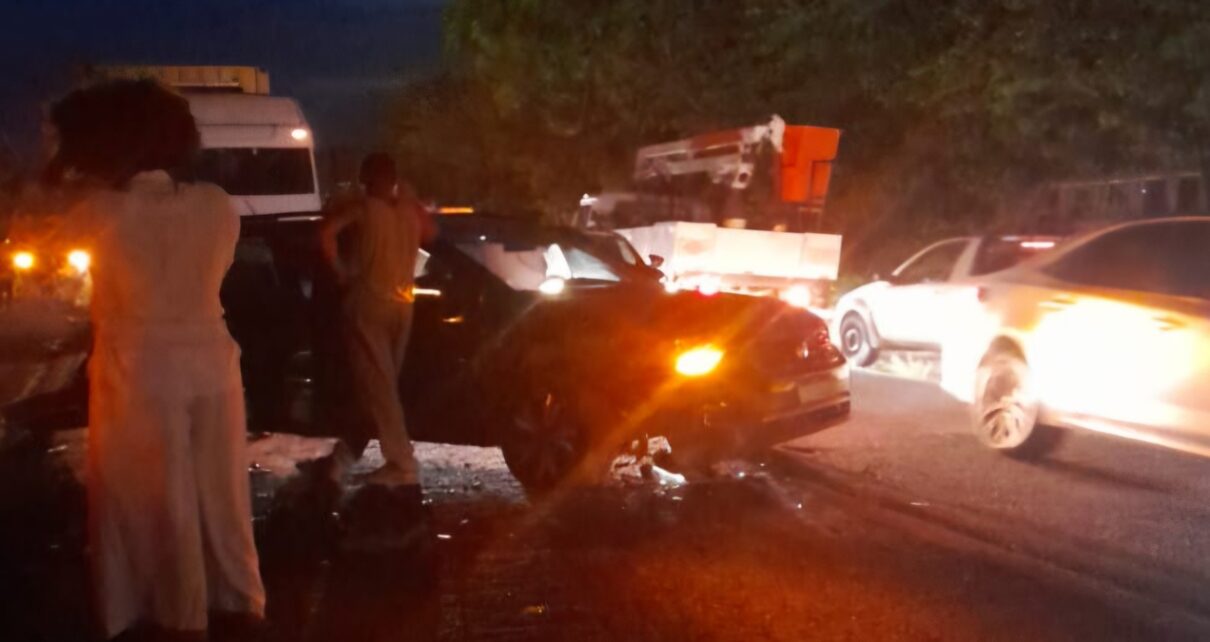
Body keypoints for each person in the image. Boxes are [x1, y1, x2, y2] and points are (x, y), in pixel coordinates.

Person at [49, 80, 264, 640]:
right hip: (212, 361)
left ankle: (170, 614)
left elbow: (64, 274)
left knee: (147, 501)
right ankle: (235, 600)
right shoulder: (216, 205)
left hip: (137, 368)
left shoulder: (97, 212)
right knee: (220, 494)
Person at [320, 153, 432, 490]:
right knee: (381, 386)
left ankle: (401, 463)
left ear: (366, 179)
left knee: (379, 388)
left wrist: (341, 272)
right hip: (404, 306)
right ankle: (343, 459)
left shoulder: (365, 209)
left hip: (369, 302)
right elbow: (432, 232)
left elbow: (326, 234)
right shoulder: (409, 213)